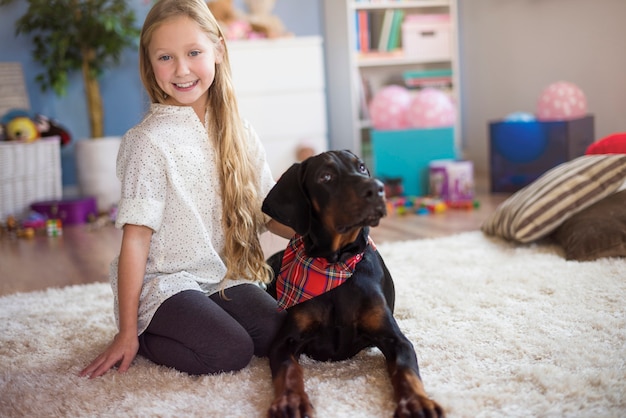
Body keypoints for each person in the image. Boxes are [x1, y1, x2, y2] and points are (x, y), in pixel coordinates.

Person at [80, 0, 293, 379]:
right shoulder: (147, 141)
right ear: (150, 65)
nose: (181, 70)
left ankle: (209, 318)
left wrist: (331, 232)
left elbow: (269, 208)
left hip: (221, 278)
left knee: (280, 332)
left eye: (194, 52)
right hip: (165, 285)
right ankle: (147, 336)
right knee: (231, 351)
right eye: (165, 57)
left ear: (218, 51)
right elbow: (135, 240)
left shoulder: (239, 131)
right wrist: (127, 331)